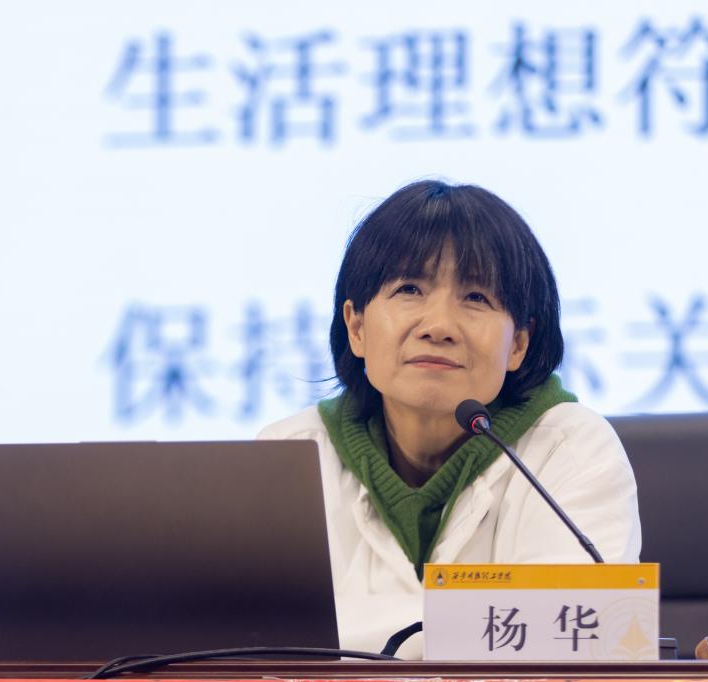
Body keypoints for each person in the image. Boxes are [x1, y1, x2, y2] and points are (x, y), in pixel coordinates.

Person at [258, 180, 640, 658]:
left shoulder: (574, 449)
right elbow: (247, 642)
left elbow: (578, 639)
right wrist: (467, 622)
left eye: (476, 297)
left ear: (518, 343)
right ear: (356, 327)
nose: (438, 327)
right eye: (409, 289)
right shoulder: (288, 455)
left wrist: (348, 631)